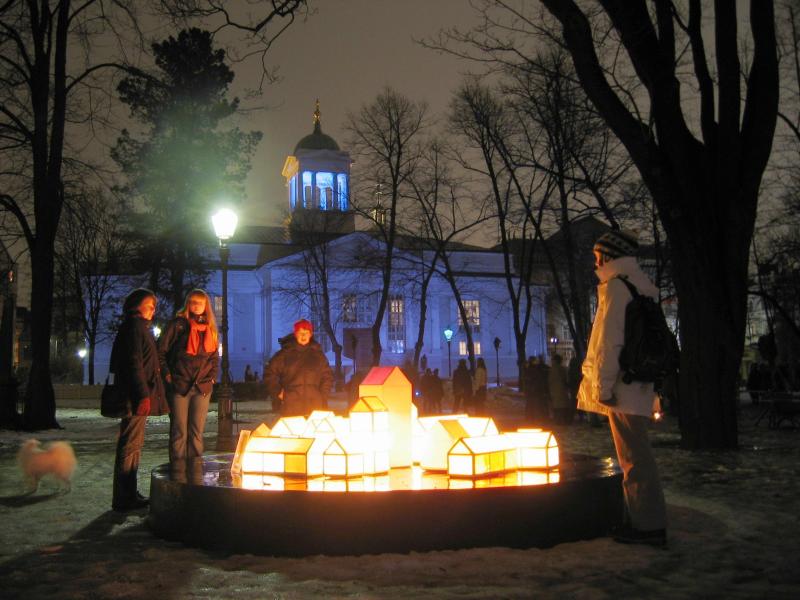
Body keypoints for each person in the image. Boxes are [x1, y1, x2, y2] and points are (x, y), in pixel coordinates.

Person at [578, 230, 667, 546]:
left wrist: (601, 388)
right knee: (637, 455)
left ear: (608, 256)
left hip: (623, 387)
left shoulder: (617, 287)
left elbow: (609, 343)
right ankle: (644, 519)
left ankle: (647, 526)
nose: (595, 263)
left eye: (597, 257)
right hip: (640, 382)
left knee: (634, 459)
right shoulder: (642, 286)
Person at [108, 288, 168, 511]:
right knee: (130, 444)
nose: (153, 310)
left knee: (133, 444)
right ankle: (124, 497)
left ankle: (128, 493)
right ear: (137, 305)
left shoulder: (137, 327)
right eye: (149, 305)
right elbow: (135, 364)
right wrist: (143, 395)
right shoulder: (135, 328)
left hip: (135, 396)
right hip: (134, 398)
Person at [157, 289, 219, 463]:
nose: (196, 306)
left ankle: (195, 469)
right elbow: (161, 351)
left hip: (202, 386)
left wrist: (212, 377)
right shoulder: (178, 325)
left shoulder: (210, 329)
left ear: (206, 305)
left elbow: (214, 357)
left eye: (200, 302)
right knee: (179, 432)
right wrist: (168, 374)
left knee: (196, 432)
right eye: (193, 302)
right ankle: (178, 470)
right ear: (187, 304)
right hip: (180, 385)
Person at [264, 319, 333, 416]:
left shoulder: (318, 355)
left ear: (310, 334)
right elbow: (270, 373)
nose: (303, 336)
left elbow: (327, 377)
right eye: (300, 333)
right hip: (291, 406)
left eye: (306, 332)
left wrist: (322, 396)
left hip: (314, 407)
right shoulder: (284, 354)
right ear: (295, 334)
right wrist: (278, 392)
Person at [548, 354, 572, 425]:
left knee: (557, 406)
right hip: (561, 390)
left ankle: (558, 420)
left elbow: (549, 380)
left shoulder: (552, 370)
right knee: (562, 406)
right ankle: (563, 420)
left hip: (554, 390)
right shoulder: (562, 369)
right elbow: (566, 379)